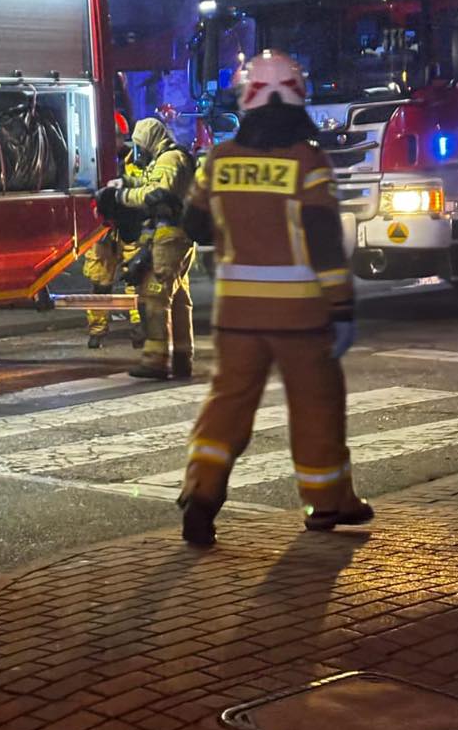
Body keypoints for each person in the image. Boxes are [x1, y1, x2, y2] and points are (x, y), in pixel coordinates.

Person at [177, 50, 374, 547]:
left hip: (237, 316)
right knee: (316, 405)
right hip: (300, 316)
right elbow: (324, 242)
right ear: (297, 96)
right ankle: (326, 504)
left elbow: (194, 224)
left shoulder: (220, 159)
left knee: (227, 405)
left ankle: (201, 495)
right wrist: (341, 306)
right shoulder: (306, 161)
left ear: (247, 98)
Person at [99, 115, 196, 379]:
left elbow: (157, 194)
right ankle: (182, 359)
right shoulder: (169, 158)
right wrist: (126, 182)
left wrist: (122, 196)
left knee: (154, 296)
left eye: (141, 145)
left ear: (151, 140)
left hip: (169, 237)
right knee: (178, 299)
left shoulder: (169, 159)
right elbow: (150, 181)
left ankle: (156, 360)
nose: (139, 151)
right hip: (175, 236)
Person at [82, 112, 145, 349]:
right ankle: (97, 330)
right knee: (100, 281)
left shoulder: (136, 162)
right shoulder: (92, 162)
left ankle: (139, 327)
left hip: (130, 227)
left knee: (136, 279)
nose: (113, 141)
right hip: (103, 230)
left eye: (116, 136)